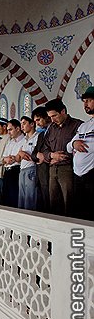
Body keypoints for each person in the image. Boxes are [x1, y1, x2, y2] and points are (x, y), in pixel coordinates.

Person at [42, 98, 82, 216]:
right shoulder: (51, 128)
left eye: (54, 116)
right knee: (54, 202)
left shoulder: (77, 125)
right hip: (52, 169)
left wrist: (63, 156)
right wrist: (52, 155)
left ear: (63, 111)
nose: (52, 119)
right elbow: (44, 148)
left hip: (68, 169)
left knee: (69, 202)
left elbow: (82, 149)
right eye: (50, 117)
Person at [66, 87, 94, 220]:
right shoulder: (84, 126)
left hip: (92, 174)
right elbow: (68, 146)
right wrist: (74, 144)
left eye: (89, 100)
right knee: (81, 214)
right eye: (84, 101)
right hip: (79, 176)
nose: (85, 104)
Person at [31, 107, 52, 212]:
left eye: (38, 120)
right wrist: (38, 155)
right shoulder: (41, 135)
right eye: (35, 121)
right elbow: (33, 153)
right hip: (41, 173)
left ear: (46, 117)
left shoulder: (54, 130)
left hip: (51, 171)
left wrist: (45, 155)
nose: (37, 123)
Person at [16, 116, 39, 210]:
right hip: (22, 169)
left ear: (32, 124)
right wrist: (21, 153)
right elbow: (18, 158)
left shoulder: (38, 136)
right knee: (22, 198)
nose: (22, 126)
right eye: (21, 124)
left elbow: (33, 155)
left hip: (31, 169)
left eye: (24, 123)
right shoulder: (24, 140)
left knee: (30, 198)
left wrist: (23, 154)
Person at [2, 119, 24, 207]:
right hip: (7, 171)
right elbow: (4, 158)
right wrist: (6, 159)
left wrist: (14, 158)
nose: (8, 132)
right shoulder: (10, 143)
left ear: (18, 129)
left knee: (15, 197)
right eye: (7, 130)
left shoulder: (24, 140)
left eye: (10, 130)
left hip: (17, 171)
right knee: (6, 198)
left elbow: (22, 156)